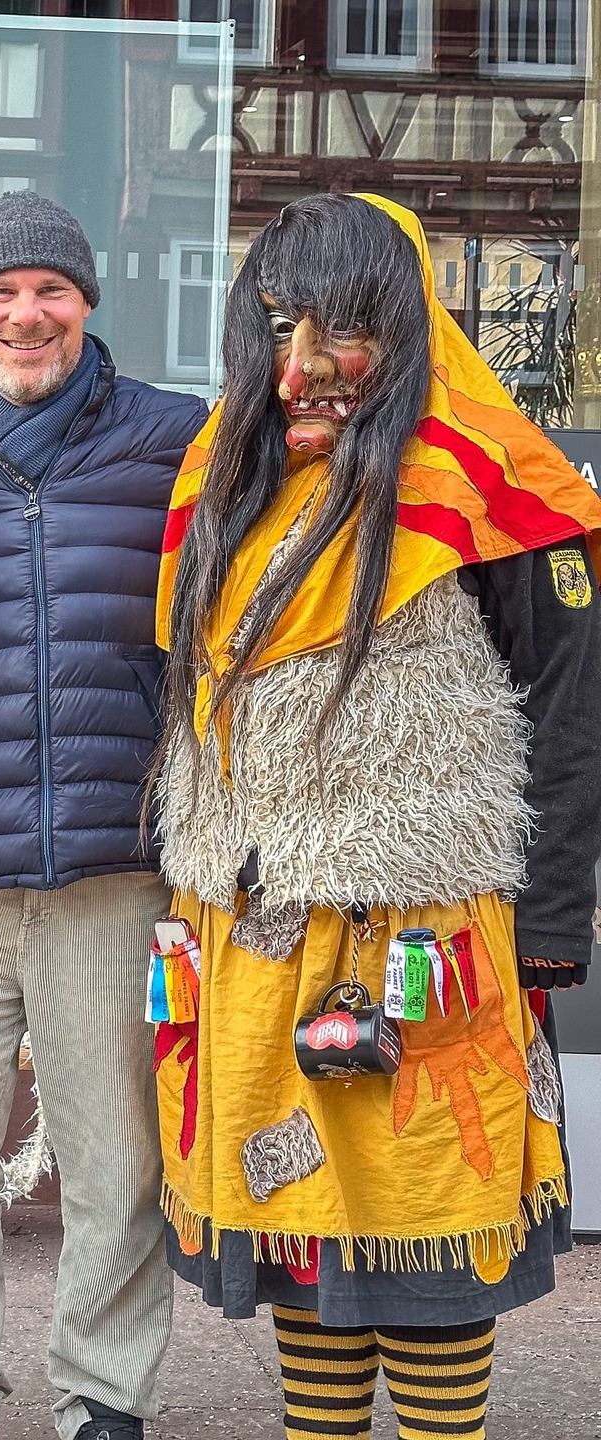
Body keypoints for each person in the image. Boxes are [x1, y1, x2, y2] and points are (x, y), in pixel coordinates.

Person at [152, 193, 601, 1440]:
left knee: (427, 1225)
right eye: (280, 326)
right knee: (302, 1231)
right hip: (252, 931)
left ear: (403, 330)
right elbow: (184, 706)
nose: (302, 367)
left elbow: (570, 722)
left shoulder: (507, 487)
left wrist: (555, 926)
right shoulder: (221, 480)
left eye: (341, 330)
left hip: (430, 941)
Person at [0, 191, 209, 1440]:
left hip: (121, 872)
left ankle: (103, 1397)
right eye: (1, 294)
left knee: (119, 1163)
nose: (27, 315)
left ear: (85, 306)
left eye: (51, 291)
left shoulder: (181, 441)